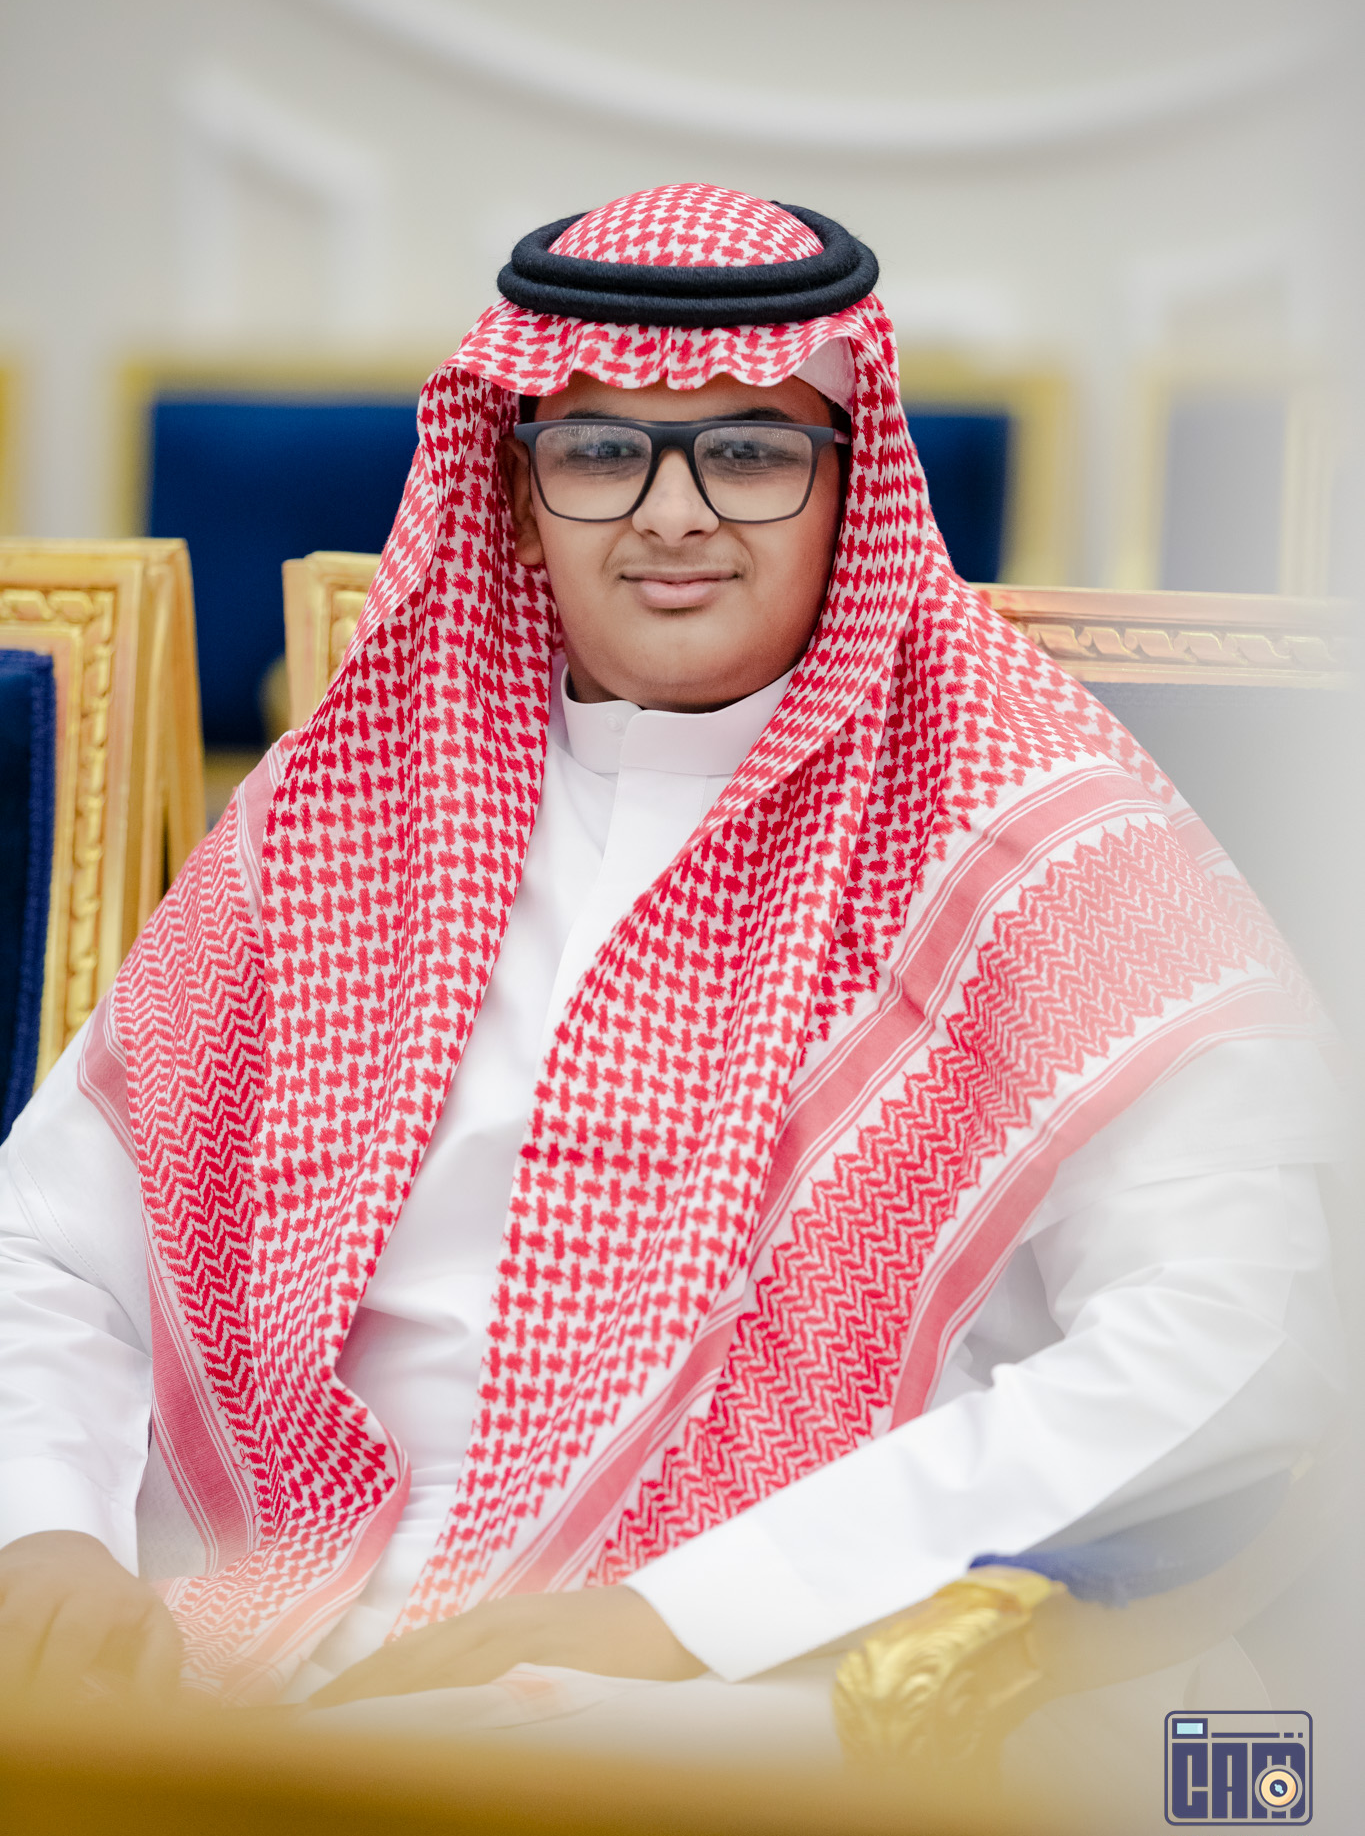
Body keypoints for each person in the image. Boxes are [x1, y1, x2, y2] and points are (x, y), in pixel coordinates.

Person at [0, 186, 1342, 1725]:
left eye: (751, 452)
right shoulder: (344, 809)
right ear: (516, 490)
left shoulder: (1032, 832)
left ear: (851, 484)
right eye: (599, 451)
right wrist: (46, 1536)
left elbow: (1238, 1338)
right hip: (244, 1619)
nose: (673, 512)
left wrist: (691, 1615)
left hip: (765, 1673)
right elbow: (53, 1248)